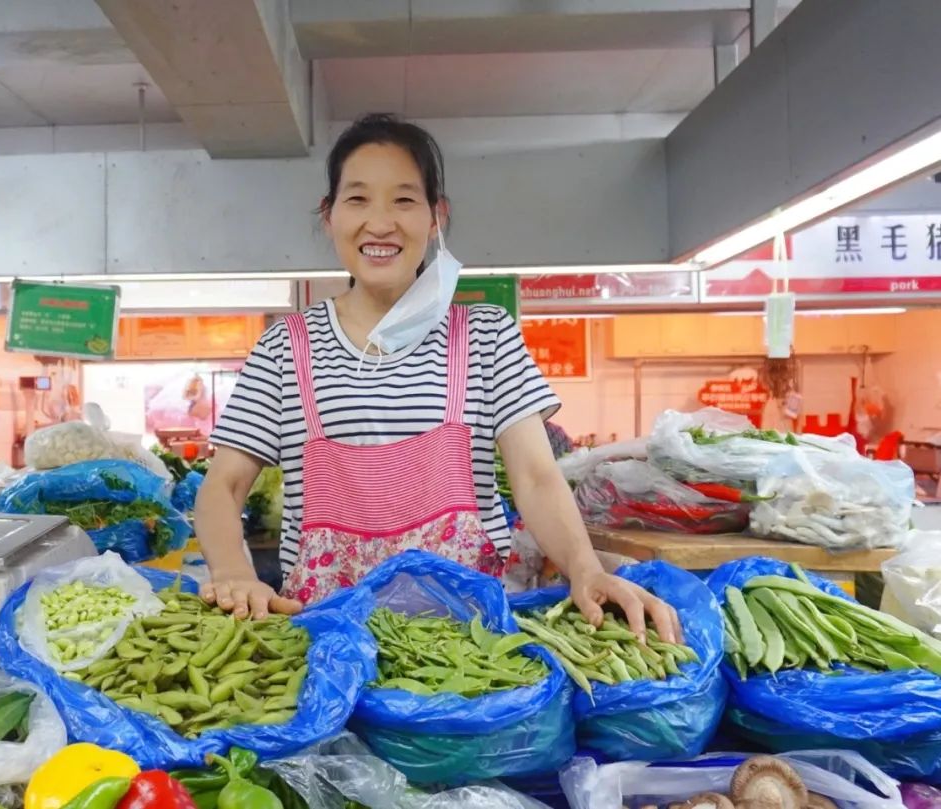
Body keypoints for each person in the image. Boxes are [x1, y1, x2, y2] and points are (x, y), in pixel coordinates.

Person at [195, 113, 680, 644]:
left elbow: (537, 478)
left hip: (467, 648)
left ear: (435, 217)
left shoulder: (486, 335)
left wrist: (584, 568)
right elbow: (225, 484)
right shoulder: (285, 347)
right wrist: (234, 573)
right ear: (329, 215)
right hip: (326, 645)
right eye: (357, 199)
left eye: (404, 200)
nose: (380, 223)